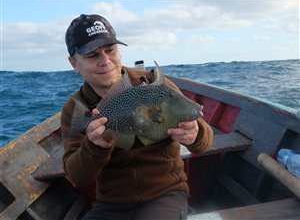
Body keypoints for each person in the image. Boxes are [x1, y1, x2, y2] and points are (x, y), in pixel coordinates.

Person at [61, 14, 213, 220]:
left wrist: (196, 134)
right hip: (110, 204)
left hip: (165, 194)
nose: (105, 61)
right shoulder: (76, 109)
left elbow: (204, 143)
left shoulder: (155, 85)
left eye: (110, 50)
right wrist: (94, 146)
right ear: (74, 64)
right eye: (92, 55)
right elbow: (77, 177)